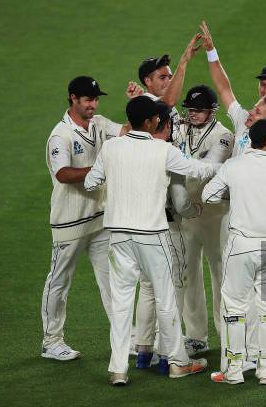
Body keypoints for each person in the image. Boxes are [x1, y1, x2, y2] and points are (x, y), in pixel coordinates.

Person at [84, 96, 220, 385]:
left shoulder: (110, 147)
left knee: (121, 305)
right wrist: (226, 168)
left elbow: (90, 182)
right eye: (156, 118)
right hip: (152, 235)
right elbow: (198, 170)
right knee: (166, 300)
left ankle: (118, 369)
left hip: (117, 236)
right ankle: (177, 363)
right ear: (150, 122)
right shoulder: (163, 150)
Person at [202, 119, 266, 385]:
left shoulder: (233, 166)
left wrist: (235, 195)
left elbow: (208, 196)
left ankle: (233, 372)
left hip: (240, 246)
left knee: (234, 309)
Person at [41, 76, 126, 361]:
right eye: (88, 99)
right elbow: (63, 174)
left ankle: (124, 337)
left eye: (96, 99)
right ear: (73, 99)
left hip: (100, 219)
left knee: (113, 281)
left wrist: (144, 101)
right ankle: (51, 342)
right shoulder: (60, 135)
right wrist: (99, 169)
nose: (93, 104)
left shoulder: (99, 123)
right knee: (59, 281)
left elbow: (128, 131)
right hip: (69, 221)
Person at [133, 101, 202, 373]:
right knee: (172, 291)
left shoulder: (132, 149)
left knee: (148, 290)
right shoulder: (167, 153)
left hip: (137, 232)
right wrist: (194, 210)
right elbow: (180, 200)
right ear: (164, 124)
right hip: (167, 230)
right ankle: (168, 357)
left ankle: (142, 353)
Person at [172, 85, 234, 356]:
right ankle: (196, 336)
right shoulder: (182, 129)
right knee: (188, 274)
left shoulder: (223, 136)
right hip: (187, 215)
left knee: (221, 273)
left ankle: (227, 335)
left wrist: (174, 159)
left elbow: (210, 165)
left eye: (199, 109)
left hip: (215, 215)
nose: (194, 113)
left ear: (212, 110)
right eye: (191, 109)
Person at [199, 21, 266, 158]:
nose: (265, 90)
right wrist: (211, 51)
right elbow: (224, 89)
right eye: (262, 84)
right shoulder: (245, 119)